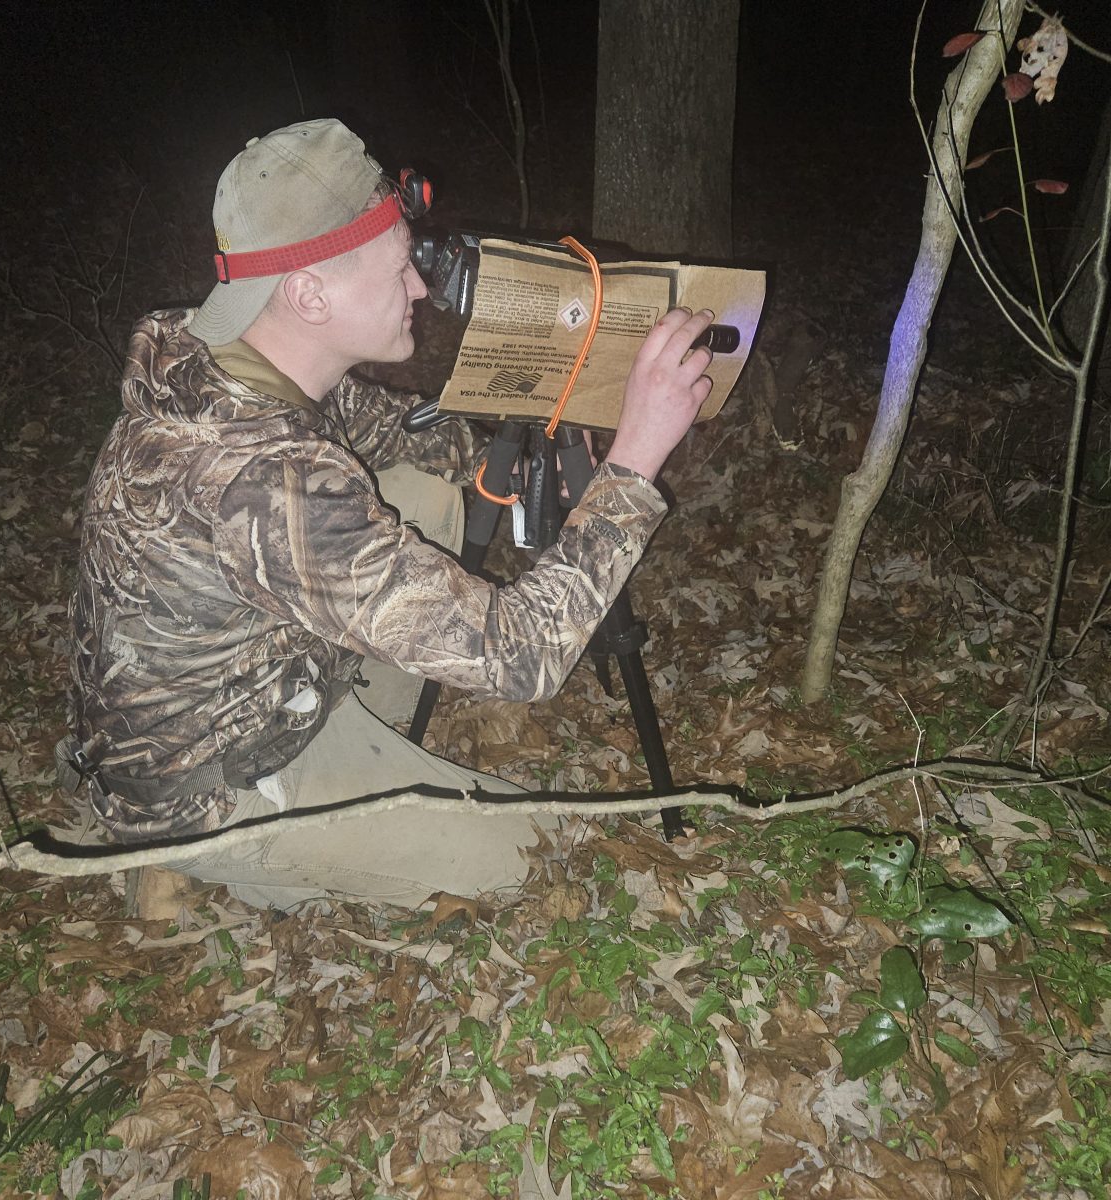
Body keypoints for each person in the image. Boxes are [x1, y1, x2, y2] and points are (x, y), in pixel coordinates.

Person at [62, 118, 713, 916]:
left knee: (427, 496)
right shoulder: (262, 481)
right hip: (211, 776)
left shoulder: (227, 363)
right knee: (533, 852)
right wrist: (634, 462)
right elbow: (522, 659)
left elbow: (420, 445)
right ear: (310, 292)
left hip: (260, 675)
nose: (419, 289)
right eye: (401, 269)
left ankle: (344, 742)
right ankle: (188, 859)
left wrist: (549, 374)